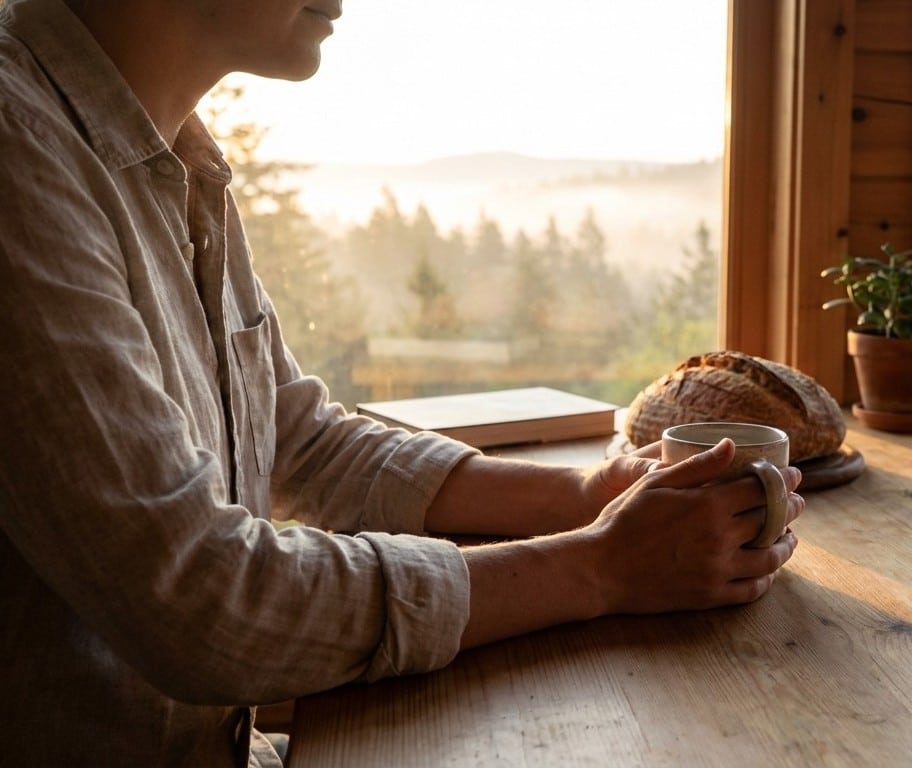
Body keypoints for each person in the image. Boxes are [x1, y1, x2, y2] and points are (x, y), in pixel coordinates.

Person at [0, 1, 804, 765]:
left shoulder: (172, 155)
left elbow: (296, 441)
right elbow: (200, 602)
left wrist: (583, 496)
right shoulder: (18, 154)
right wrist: (602, 568)